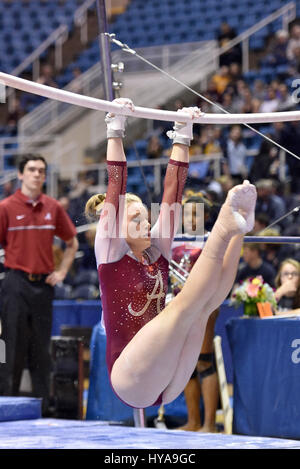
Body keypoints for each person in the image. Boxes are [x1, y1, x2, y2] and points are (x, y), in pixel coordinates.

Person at [85, 98, 257, 409]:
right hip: (130, 376)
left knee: (204, 307)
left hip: (165, 378)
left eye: (145, 217)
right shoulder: (110, 254)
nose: (146, 222)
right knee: (182, 307)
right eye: (136, 218)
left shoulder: (156, 249)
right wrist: (115, 128)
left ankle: (238, 230)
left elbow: (173, 192)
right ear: (116, 226)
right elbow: (116, 186)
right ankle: (224, 228)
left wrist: (182, 132)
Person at [0, 154, 78, 414]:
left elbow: (72, 243)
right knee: (11, 350)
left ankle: (44, 414)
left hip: (44, 286)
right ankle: (6, 412)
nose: (37, 174)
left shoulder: (53, 207)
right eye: (31, 170)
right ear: (20, 174)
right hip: (15, 284)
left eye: (41, 170)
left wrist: (63, 271)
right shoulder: (6, 207)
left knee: (41, 353)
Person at [171, 191, 219, 432]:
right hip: (181, 305)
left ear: (206, 216)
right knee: (186, 364)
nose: (190, 219)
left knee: (203, 360)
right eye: (186, 214)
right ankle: (193, 421)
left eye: (195, 214)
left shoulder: (211, 240)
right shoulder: (175, 239)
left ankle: (209, 423)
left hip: (205, 305)